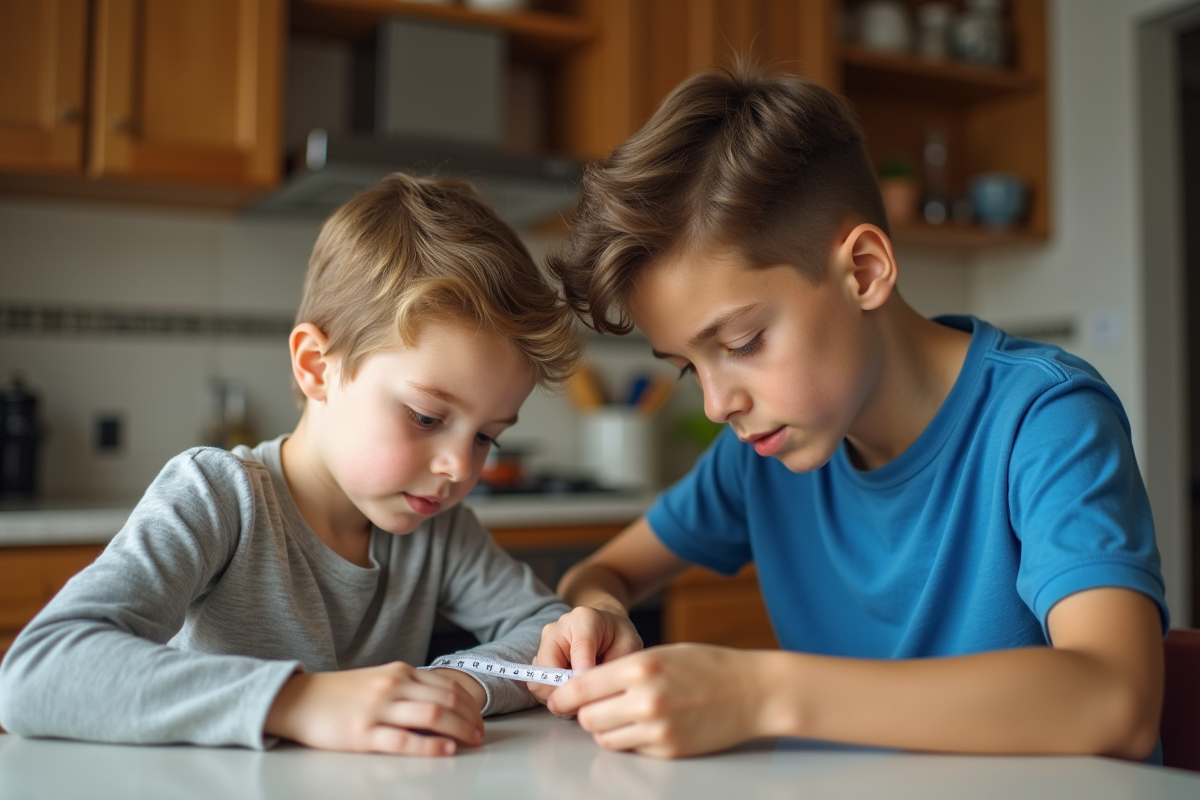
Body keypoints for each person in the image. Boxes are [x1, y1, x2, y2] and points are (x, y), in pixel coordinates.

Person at [532, 66, 1168, 761]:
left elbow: (1116, 700)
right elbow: (599, 575)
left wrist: (761, 691)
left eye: (742, 343)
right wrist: (600, 612)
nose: (718, 405)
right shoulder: (759, 457)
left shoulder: (1045, 419)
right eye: (689, 368)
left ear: (864, 270)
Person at [0, 173, 583, 756]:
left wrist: (456, 683)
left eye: (487, 437)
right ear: (315, 366)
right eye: (427, 417)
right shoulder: (216, 496)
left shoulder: (439, 529)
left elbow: (550, 632)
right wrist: (298, 702)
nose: (460, 467)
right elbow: (37, 671)